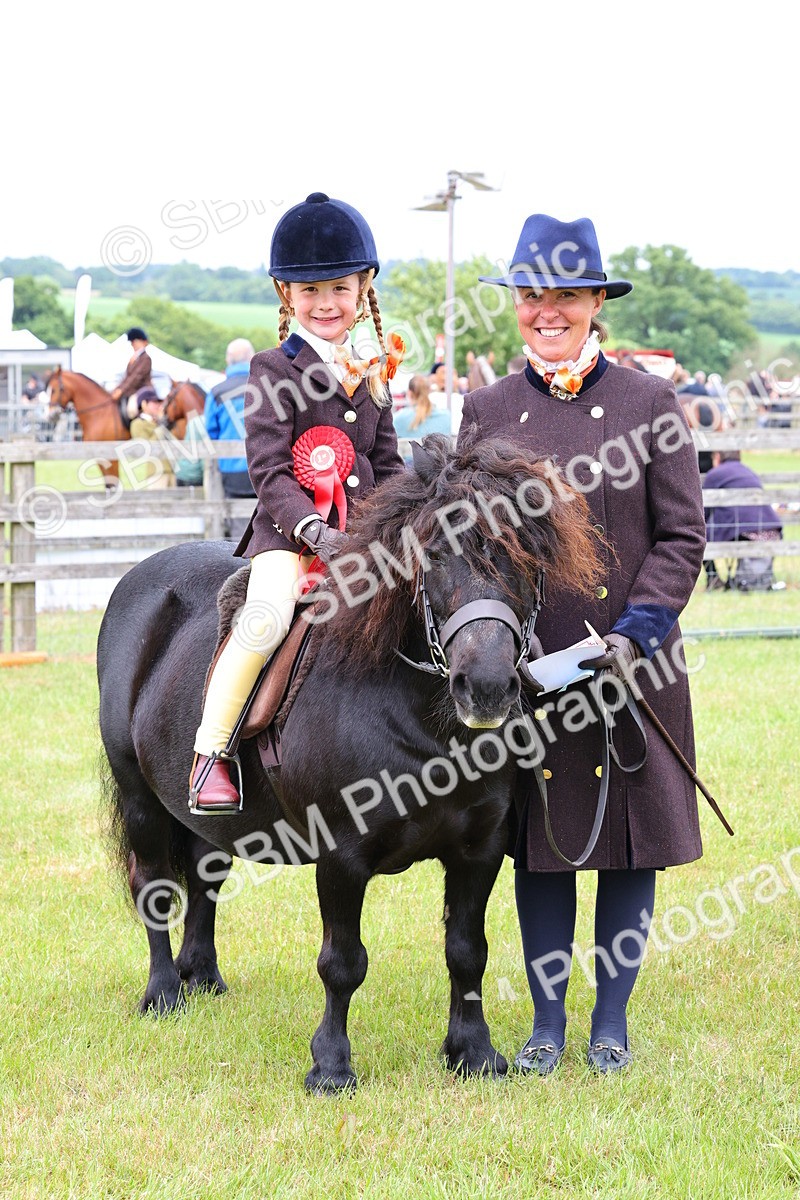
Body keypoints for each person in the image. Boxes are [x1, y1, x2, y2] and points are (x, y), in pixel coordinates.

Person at [458, 213, 706, 1075]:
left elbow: (681, 537)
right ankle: (545, 1020)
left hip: (634, 663)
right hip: (534, 670)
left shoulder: (651, 403)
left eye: (564, 295)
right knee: (546, 846)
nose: (546, 311)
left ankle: (612, 1019)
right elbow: (473, 545)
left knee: (629, 846)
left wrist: (638, 632)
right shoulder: (485, 409)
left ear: (596, 301)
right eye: (532, 296)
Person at [190, 192, 405, 812]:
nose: (327, 303)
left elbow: (386, 463)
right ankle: (212, 752)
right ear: (287, 295)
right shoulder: (270, 369)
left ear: (364, 286)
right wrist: (315, 531)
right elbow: (267, 468)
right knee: (266, 620)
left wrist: (398, 528)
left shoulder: (372, 370)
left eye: (339, 288)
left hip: (367, 538)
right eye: (310, 292)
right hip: (291, 542)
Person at [703, 450, 783, 590]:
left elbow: (703, 509)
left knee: (698, 537)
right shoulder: (748, 471)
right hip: (771, 528)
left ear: (717, 457)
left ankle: (713, 577)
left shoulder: (715, 474)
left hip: (745, 531)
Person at [204, 338, 258, 535]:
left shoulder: (216, 392)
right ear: (252, 357)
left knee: (238, 525)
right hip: (268, 467)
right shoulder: (267, 385)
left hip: (232, 470)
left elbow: (211, 431)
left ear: (228, 360)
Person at [392, 373, 451, 461]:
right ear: (430, 390)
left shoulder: (399, 418)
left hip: (409, 470)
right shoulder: (446, 416)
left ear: (409, 393)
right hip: (439, 470)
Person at [129, 388, 176, 489]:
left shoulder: (160, 422)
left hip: (172, 470)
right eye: (154, 402)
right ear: (144, 404)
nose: (158, 406)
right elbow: (148, 447)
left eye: (159, 402)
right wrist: (162, 425)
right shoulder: (138, 424)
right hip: (155, 472)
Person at [112, 327, 153, 420]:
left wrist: (121, 390)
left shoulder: (146, 358)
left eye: (133, 342)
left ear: (140, 341)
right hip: (131, 390)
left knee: (131, 410)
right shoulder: (134, 358)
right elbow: (127, 377)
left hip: (141, 391)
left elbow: (136, 377)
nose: (132, 345)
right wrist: (117, 389)